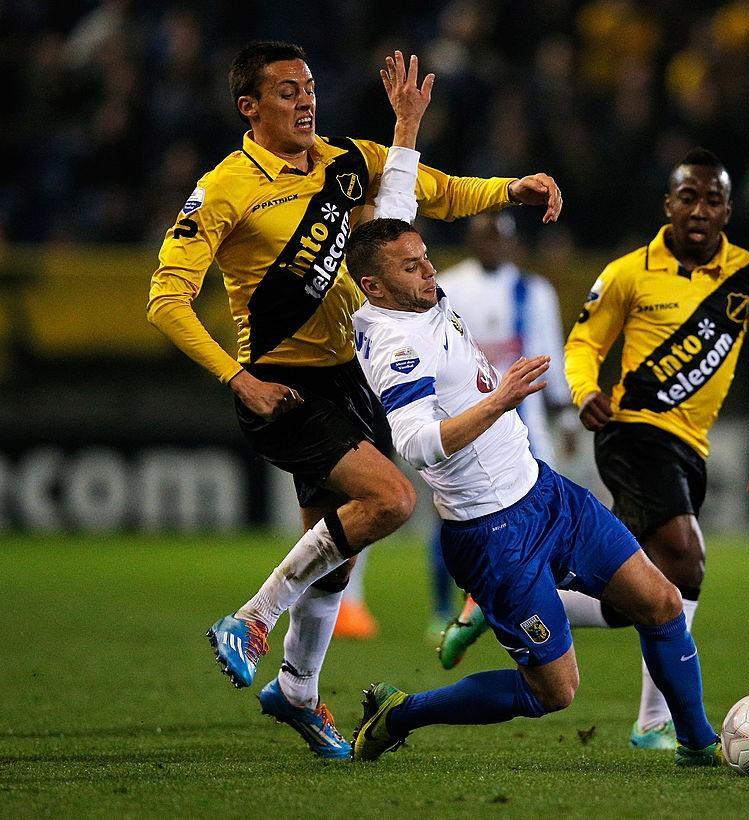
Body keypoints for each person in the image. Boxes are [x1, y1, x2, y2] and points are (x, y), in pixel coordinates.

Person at [147, 40, 562, 760]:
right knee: (394, 501)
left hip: (350, 376)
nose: (305, 100)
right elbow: (166, 299)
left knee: (336, 551)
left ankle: (298, 692)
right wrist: (238, 379)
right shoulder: (224, 188)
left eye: (308, 87)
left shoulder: (347, 160)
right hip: (281, 382)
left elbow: (431, 189)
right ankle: (251, 617)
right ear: (249, 107)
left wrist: (509, 191)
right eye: (285, 91)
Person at [342, 217, 724, 768]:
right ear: (374, 287)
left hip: (546, 495)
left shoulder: (418, 299)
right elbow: (416, 444)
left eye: (425, 257)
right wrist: (502, 398)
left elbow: (394, 209)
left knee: (663, 601)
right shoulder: (397, 345)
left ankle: (697, 743)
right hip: (492, 536)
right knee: (555, 692)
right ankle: (399, 715)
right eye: (411, 266)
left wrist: (409, 131)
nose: (430, 270)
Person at [564, 148, 749, 748]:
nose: (700, 210)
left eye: (713, 199)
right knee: (686, 554)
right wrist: (583, 390)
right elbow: (583, 342)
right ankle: (660, 723)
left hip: (689, 450)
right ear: (668, 205)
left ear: (727, 209)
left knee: (642, 595)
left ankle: (520, 597)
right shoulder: (628, 272)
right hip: (631, 432)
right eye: (688, 197)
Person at [420, 213, 576, 639]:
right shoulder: (448, 288)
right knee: (455, 517)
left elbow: (551, 358)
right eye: (484, 236)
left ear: (512, 242)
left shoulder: (533, 291)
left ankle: (519, 609)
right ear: (471, 240)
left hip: (527, 428)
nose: (492, 245)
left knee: (538, 521)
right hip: (466, 424)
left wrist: (565, 418)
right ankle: (442, 609)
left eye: (500, 237)